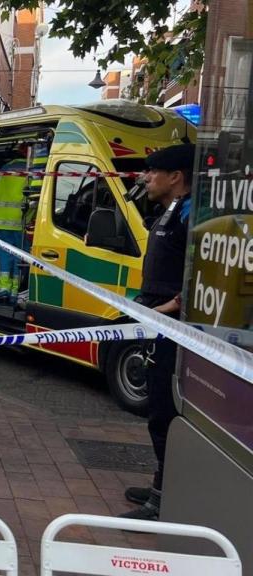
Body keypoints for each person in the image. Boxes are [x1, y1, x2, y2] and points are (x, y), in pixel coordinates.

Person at [120, 143, 195, 521]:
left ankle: (164, 498)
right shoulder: (171, 210)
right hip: (157, 325)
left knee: (165, 412)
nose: (146, 178)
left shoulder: (190, 213)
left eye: (152, 171)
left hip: (173, 330)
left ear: (176, 177)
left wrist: (161, 311)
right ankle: (159, 484)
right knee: (156, 411)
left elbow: (196, 278)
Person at [0, 145, 29, 304]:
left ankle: (3, 291)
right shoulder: (33, 170)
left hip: (1, 222)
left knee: (4, 258)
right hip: (21, 223)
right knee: (21, 259)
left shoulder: (5, 169)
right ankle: (16, 294)